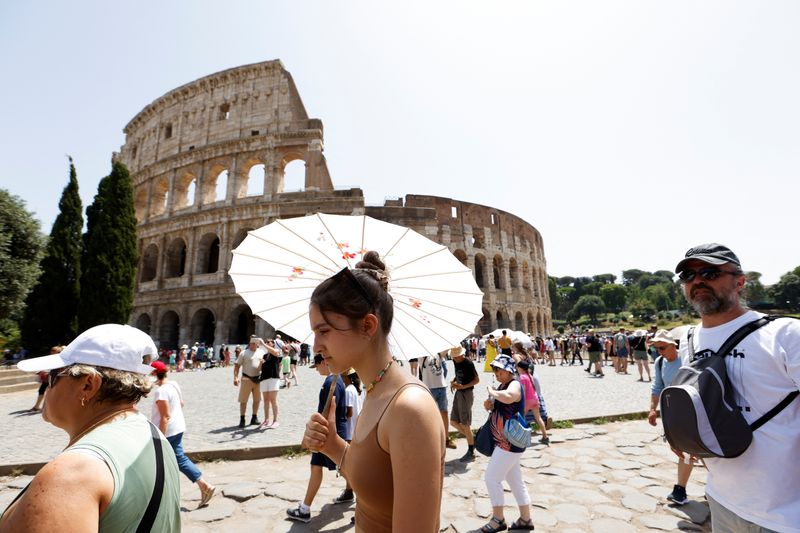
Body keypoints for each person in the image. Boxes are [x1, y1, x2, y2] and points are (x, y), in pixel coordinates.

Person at [301, 251, 445, 531]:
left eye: (324, 331)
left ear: (367, 325)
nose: (315, 346)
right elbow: (374, 483)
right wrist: (331, 445)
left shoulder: (409, 409)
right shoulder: (375, 390)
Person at [1, 324, 181, 531]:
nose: (47, 387)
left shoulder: (70, 476)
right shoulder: (154, 435)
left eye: (53, 376)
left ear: (88, 385)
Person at [674, 243, 800, 532]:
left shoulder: (784, 335)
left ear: (740, 282)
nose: (697, 281)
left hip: (785, 513)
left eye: (709, 272)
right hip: (721, 499)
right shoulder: (689, 339)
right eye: (688, 276)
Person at [287, 354, 349, 522]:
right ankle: (306, 507)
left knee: (345, 468)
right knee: (321, 466)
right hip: (330, 431)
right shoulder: (336, 380)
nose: (317, 370)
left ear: (324, 362)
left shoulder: (331, 382)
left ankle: (365, 497)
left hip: (327, 433)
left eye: (317, 366)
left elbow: (328, 411)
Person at [150, 360, 216, 507]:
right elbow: (181, 404)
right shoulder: (173, 384)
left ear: (154, 374)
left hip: (168, 431)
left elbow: (165, 416)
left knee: (177, 460)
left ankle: (204, 485)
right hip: (178, 427)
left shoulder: (161, 391)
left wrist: (160, 436)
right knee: (172, 460)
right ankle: (164, 493)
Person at [479, 355, 534, 532]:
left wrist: (493, 392)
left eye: (499, 370)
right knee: (516, 481)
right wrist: (489, 404)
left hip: (509, 443)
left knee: (491, 478)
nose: (496, 373)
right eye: (495, 369)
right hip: (503, 441)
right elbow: (498, 405)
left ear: (509, 370)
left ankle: (498, 519)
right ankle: (525, 520)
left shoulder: (515, 384)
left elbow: (510, 397)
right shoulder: (503, 385)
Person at [647, 328, 694, 506]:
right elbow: (657, 386)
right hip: (672, 414)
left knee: (691, 451)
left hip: (692, 413)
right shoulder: (659, 362)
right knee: (690, 451)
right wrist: (653, 409)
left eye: (663, 347)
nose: (660, 352)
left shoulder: (687, 360)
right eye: (657, 348)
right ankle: (687, 489)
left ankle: (681, 490)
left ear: (674, 345)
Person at [335, 367, 363, 505]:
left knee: (346, 465)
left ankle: (354, 492)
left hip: (349, 431)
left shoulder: (348, 391)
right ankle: (349, 490)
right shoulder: (354, 389)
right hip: (354, 430)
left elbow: (349, 412)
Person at [449, 346, 480, 462]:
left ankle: (471, 451)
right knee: (453, 421)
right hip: (458, 393)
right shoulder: (455, 361)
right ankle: (473, 439)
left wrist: (463, 386)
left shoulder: (468, 363)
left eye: (455, 356)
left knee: (465, 423)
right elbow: (459, 374)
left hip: (466, 393)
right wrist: (454, 380)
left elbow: (477, 380)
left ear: (460, 355)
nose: (454, 358)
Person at [233, 335, 264, 428]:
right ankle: (242, 418)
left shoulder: (262, 352)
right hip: (247, 379)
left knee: (257, 400)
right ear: (249, 343)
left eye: (255, 343)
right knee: (243, 400)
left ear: (258, 344)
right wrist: (235, 377)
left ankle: (254, 417)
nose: (253, 344)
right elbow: (237, 366)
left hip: (258, 379)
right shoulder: (244, 353)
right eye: (252, 343)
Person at [516, 360, 549, 445]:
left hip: (527, 400)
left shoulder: (522, 376)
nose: (516, 369)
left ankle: (522, 438)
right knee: (538, 418)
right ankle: (545, 436)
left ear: (520, 368)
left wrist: (520, 400)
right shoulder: (530, 375)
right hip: (535, 399)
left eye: (517, 367)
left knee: (521, 419)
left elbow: (523, 390)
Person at [258, 338, 283, 429]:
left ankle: (275, 420)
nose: (268, 343)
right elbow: (261, 369)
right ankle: (266, 419)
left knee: (273, 400)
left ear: (273, 344)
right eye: (267, 341)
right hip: (264, 378)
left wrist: (263, 344)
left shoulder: (276, 351)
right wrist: (261, 363)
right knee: (265, 401)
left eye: (270, 342)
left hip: (273, 378)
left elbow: (275, 353)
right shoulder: (264, 356)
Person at [31, 345, 63, 411]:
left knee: (50, 392)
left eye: (54, 351)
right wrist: (40, 372)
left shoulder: (61, 359)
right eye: (52, 350)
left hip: (54, 378)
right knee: (42, 390)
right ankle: (38, 406)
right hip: (48, 377)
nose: (52, 352)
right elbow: (44, 366)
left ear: (59, 352)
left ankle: (44, 407)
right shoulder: (50, 358)